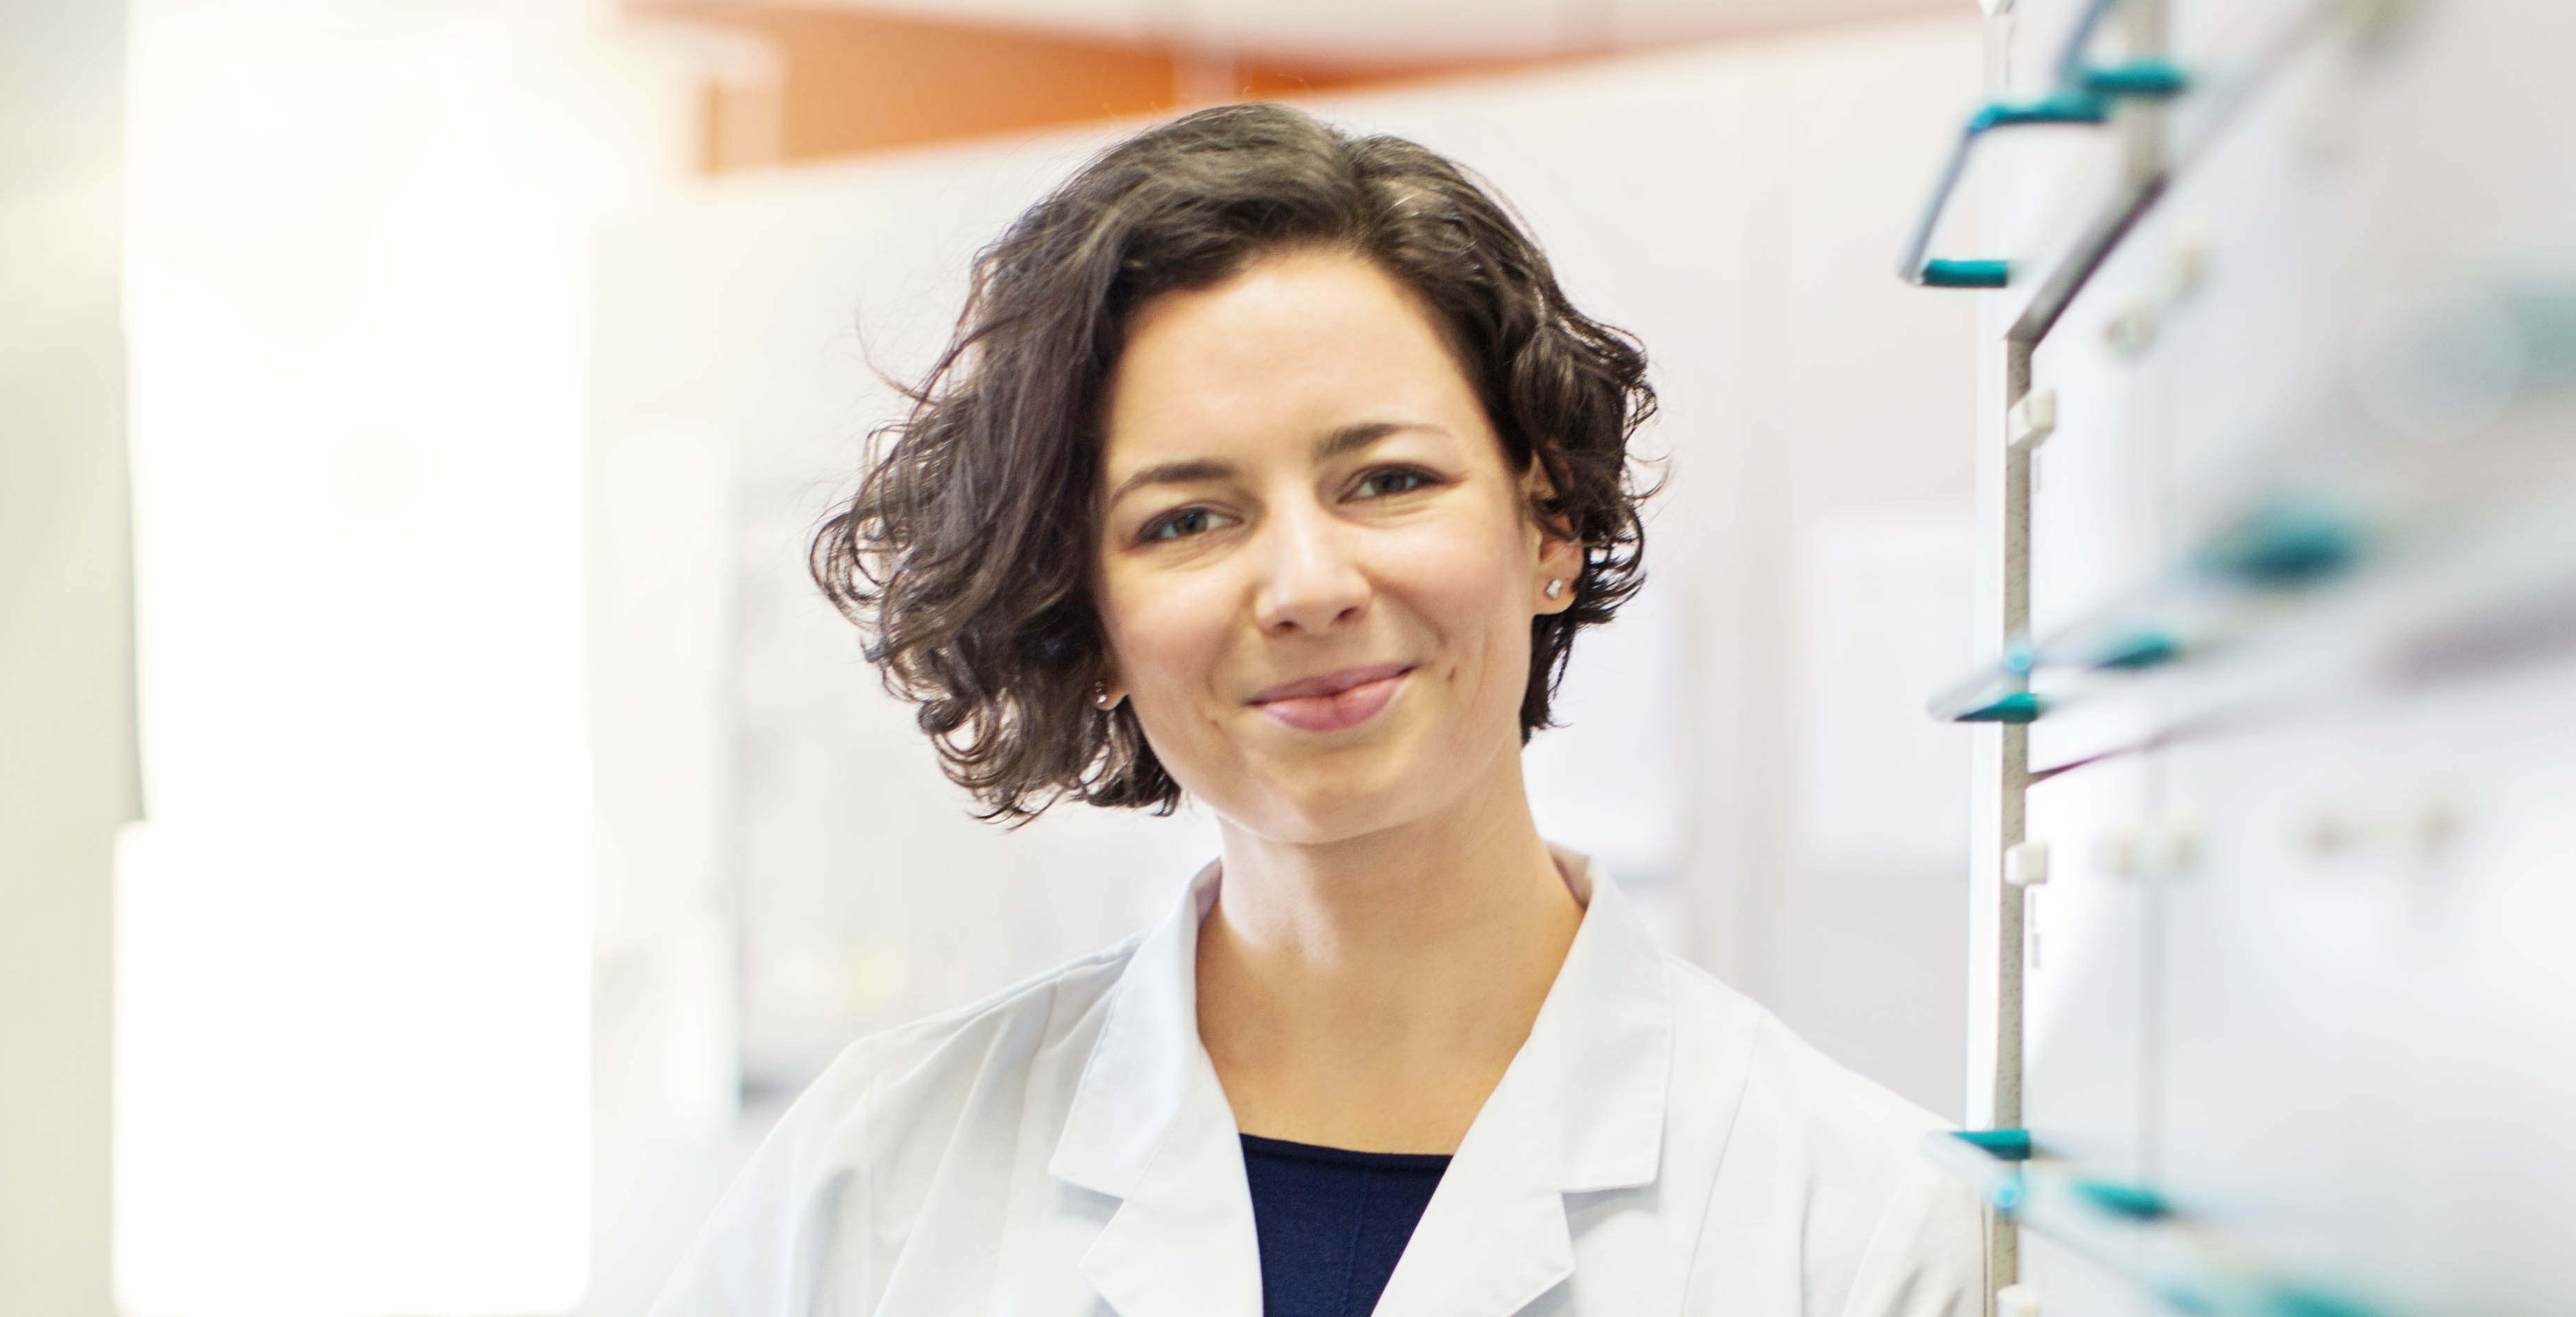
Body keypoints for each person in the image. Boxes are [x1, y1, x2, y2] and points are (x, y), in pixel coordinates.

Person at [651, 102, 1980, 1317]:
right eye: (1186, 519)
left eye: (1389, 481)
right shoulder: (884, 1180)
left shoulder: (1857, 1228)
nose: (1303, 585)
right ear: (1087, 618)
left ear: (1551, 522)